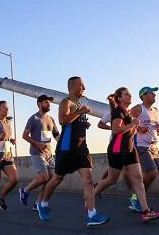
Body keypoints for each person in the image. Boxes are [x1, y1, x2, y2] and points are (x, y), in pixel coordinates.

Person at [37, 77, 108, 226]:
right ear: (72, 87)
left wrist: (83, 122)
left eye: (83, 85)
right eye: (81, 85)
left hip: (81, 148)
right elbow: (63, 120)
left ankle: (92, 214)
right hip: (66, 148)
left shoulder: (77, 104)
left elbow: (74, 121)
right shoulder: (66, 102)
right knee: (57, 179)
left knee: (88, 180)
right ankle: (43, 203)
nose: (84, 88)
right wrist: (81, 111)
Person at [94, 87, 159, 222]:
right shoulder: (118, 111)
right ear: (119, 98)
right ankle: (90, 197)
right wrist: (133, 124)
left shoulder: (128, 112)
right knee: (111, 179)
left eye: (130, 94)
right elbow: (116, 130)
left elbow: (131, 127)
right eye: (127, 94)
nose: (130, 96)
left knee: (137, 178)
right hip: (117, 148)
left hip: (130, 149)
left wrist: (136, 126)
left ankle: (146, 212)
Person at [128, 87, 159, 212]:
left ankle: (138, 199)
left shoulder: (156, 110)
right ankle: (136, 199)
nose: (154, 94)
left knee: (153, 174)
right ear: (144, 95)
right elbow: (125, 121)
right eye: (152, 93)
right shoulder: (138, 108)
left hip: (153, 146)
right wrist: (139, 128)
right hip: (140, 144)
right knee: (152, 172)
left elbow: (157, 128)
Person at [19, 95, 60, 211]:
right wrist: (37, 144)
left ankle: (38, 203)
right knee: (44, 177)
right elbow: (24, 136)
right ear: (39, 104)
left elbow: (56, 135)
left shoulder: (51, 119)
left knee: (51, 179)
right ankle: (25, 190)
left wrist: (63, 144)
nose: (48, 104)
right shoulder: (33, 118)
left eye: (49, 102)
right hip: (37, 153)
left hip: (49, 154)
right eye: (46, 102)